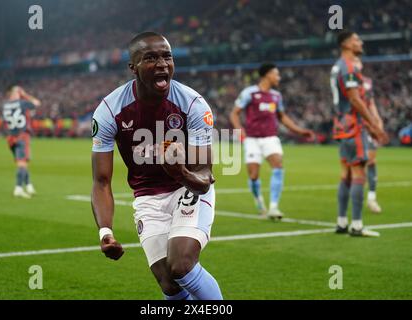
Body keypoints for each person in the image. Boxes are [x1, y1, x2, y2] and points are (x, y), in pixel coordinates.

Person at [91, 32, 223, 300]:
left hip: (186, 189)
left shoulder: (193, 105)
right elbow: (101, 181)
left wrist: (181, 172)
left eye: (167, 56)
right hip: (147, 197)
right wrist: (106, 231)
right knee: (169, 284)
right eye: (150, 58)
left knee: (181, 266)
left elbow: (204, 176)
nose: (162, 64)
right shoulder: (109, 110)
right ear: (133, 68)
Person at [229, 63, 314, 219]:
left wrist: (299, 131)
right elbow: (234, 113)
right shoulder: (250, 93)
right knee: (254, 175)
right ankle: (259, 201)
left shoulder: (276, 96)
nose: (278, 77)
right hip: (252, 139)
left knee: (278, 165)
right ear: (267, 75)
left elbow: (282, 117)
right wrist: (240, 131)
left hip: (270, 137)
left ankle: (274, 207)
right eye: (276, 74)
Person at [330, 31, 389, 237]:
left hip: (341, 126)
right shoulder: (349, 67)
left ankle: (341, 222)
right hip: (354, 126)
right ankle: (356, 225)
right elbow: (355, 99)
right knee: (358, 174)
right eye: (356, 39)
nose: (360, 42)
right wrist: (374, 125)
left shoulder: (337, 66)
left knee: (345, 175)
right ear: (346, 44)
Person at [353, 56, 384, 213]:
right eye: (354, 62)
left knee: (371, 161)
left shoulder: (367, 82)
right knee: (355, 165)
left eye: (358, 61)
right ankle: (354, 201)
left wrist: (377, 120)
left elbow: (371, 102)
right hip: (352, 126)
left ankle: (371, 198)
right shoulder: (347, 80)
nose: (357, 64)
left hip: (367, 127)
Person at [2, 85, 41, 198]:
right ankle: (18, 188)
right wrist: (25, 94)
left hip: (11, 138)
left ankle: (28, 185)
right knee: (22, 164)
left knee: (21, 163)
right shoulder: (22, 103)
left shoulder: (5, 105)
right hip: (22, 136)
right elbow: (37, 103)